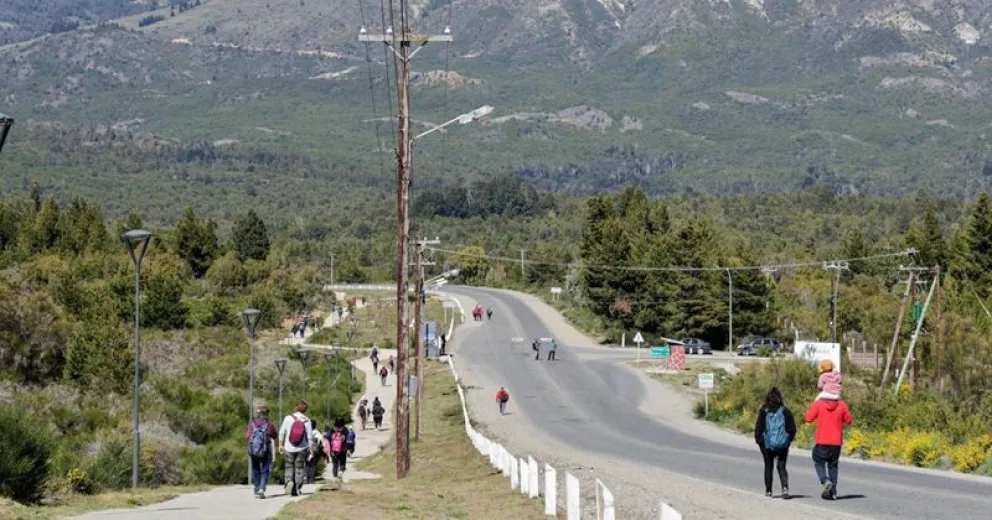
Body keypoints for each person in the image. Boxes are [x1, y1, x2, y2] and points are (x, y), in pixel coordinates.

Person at [805, 391, 853, 500]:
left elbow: (808, 418)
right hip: (836, 442)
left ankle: (825, 481)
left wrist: (815, 403)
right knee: (833, 466)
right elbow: (849, 420)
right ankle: (833, 492)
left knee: (818, 462)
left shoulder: (819, 404)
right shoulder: (841, 404)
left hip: (822, 440)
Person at [754, 387, 796, 499]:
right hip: (782, 444)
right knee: (782, 466)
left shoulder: (763, 411)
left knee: (768, 466)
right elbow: (792, 429)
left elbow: (758, 431)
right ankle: (785, 489)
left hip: (767, 445)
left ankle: (768, 491)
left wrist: (761, 443)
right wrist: (787, 441)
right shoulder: (785, 411)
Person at [278, 400, 314, 497]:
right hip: (302, 448)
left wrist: (280, 445)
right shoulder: (307, 420)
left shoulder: (288, 418)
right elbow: (310, 436)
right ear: (305, 410)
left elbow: (282, 432)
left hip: (288, 447)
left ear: (296, 407)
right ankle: (297, 487)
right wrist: (311, 449)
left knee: (289, 466)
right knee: (299, 468)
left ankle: (289, 481)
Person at [246, 405, 277, 499]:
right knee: (265, 469)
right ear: (267, 414)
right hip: (265, 450)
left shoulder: (252, 424)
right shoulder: (269, 424)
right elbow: (274, 435)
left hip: (254, 451)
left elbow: (248, 436)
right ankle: (261, 489)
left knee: (255, 470)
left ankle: (256, 489)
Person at [305, 419, 322, 484]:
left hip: (306, 450)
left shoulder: (306, 432)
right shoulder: (317, 432)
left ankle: (307, 479)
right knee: (313, 465)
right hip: (314, 450)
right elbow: (321, 441)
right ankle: (311, 480)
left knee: (307, 465)